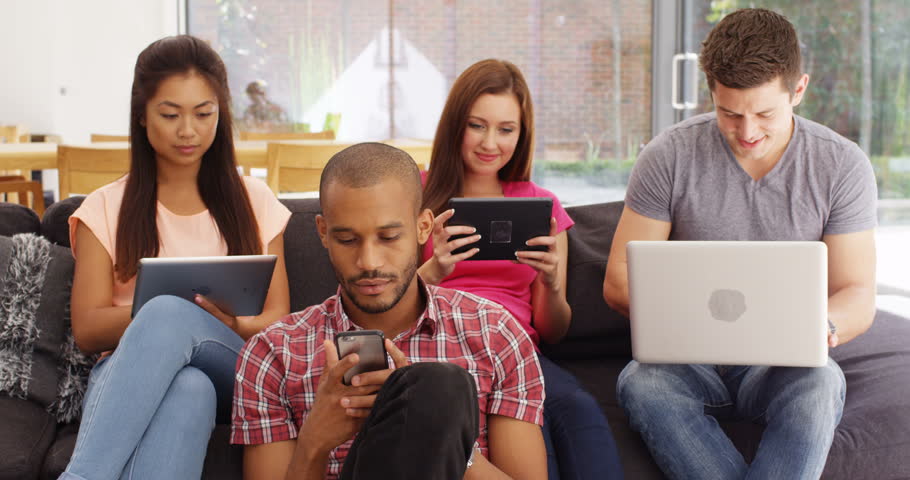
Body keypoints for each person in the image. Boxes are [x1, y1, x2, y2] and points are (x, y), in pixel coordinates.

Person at [603, 9, 877, 479]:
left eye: (765, 113)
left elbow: (856, 292)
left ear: (799, 89)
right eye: (729, 114)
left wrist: (823, 326)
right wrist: (687, 316)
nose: (747, 132)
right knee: (641, 383)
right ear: (711, 92)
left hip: (780, 363)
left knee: (820, 382)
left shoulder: (841, 166)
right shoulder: (667, 156)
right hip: (686, 357)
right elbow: (618, 282)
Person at [232, 143, 547, 480]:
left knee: (439, 388)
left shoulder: (495, 332)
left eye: (389, 237)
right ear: (323, 232)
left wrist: (444, 438)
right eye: (348, 240)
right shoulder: (273, 353)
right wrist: (316, 439)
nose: (369, 262)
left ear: (424, 227)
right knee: (438, 386)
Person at [60, 35, 291, 480]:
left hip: (237, 366)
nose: (189, 130)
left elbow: (280, 317)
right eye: (171, 114)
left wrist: (228, 322)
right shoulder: (104, 208)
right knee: (188, 387)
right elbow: (88, 329)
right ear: (142, 116)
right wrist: (165, 317)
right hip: (126, 373)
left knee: (168, 311)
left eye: (204, 114)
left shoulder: (255, 200)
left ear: (221, 115)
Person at [419, 59, 623, 480]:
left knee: (580, 410)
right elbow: (381, 300)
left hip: (518, 352)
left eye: (506, 129)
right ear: (455, 124)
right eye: (477, 125)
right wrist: (434, 271)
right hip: (442, 345)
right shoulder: (414, 193)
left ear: (521, 134)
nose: (490, 142)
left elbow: (553, 331)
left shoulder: (542, 205)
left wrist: (550, 282)